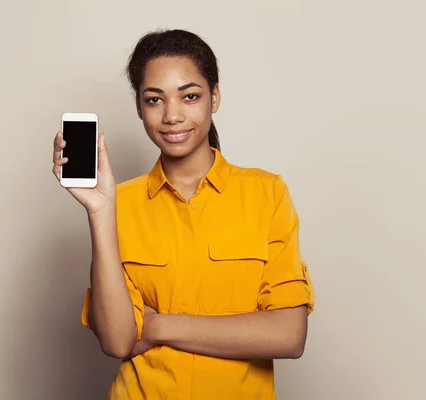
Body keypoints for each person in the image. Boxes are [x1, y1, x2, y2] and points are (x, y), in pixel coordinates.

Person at [52, 29, 315, 400]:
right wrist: (99, 210)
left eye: (189, 96)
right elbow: (117, 340)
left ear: (215, 97)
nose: (172, 115)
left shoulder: (266, 193)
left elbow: (288, 335)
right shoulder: (119, 204)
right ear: (139, 108)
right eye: (154, 100)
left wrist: (157, 326)